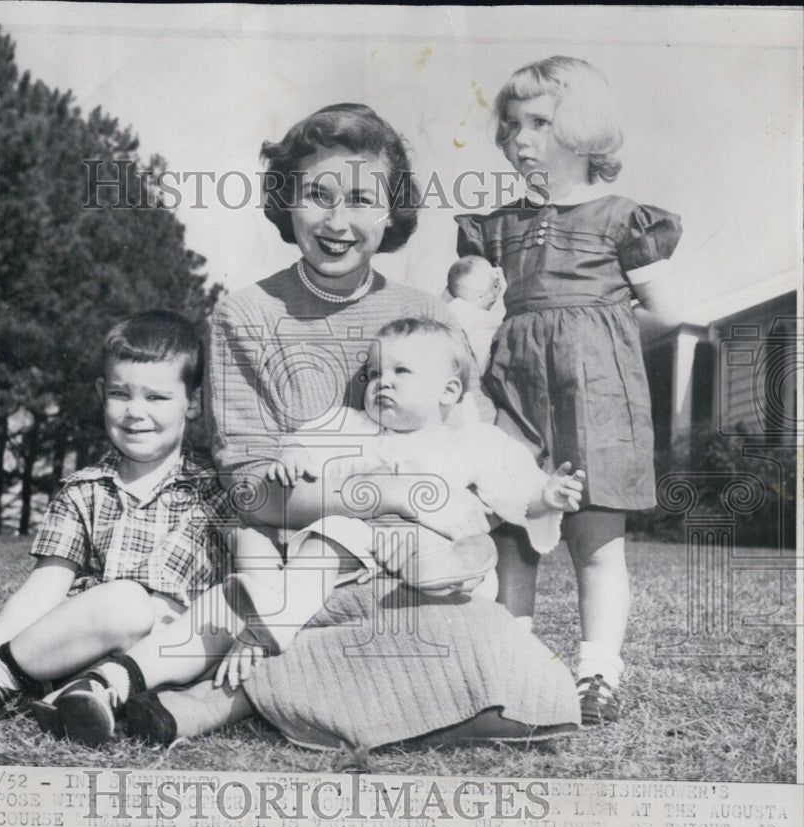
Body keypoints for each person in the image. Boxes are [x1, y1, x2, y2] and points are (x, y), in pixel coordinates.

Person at [66, 103, 582, 752]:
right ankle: (210, 693)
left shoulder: (424, 318)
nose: (339, 223)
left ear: (391, 212)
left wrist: (516, 508)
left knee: (482, 644)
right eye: (318, 195)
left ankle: (207, 705)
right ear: (287, 201)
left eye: (364, 199)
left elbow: (478, 453)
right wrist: (382, 496)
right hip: (292, 556)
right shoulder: (245, 315)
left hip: (410, 574)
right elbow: (253, 491)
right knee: (261, 603)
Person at [454, 56, 683, 725]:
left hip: (595, 395)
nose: (519, 138)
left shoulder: (623, 220)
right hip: (515, 394)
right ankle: (513, 666)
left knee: (596, 539)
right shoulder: (496, 227)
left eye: (539, 123)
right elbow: (467, 316)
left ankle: (597, 671)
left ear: (582, 127)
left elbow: (668, 312)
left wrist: (598, 327)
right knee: (512, 533)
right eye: (511, 125)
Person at [0, 310, 234, 731]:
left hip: (171, 660)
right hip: (91, 636)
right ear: (100, 393)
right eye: (120, 394)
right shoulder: (83, 490)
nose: (134, 411)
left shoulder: (218, 491)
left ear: (194, 403)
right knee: (127, 602)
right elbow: (45, 586)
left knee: (222, 613)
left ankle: (83, 699)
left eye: (157, 397)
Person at [215, 316, 586, 678]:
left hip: (432, 547)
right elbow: (307, 440)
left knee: (473, 565)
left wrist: (546, 496)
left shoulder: (470, 441)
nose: (382, 383)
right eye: (374, 374)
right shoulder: (353, 425)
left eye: (400, 372)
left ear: (449, 391)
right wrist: (294, 456)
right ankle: (273, 622)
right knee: (329, 538)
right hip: (362, 543)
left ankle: (446, 592)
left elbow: (516, 488)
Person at [441, 255, 506, 374]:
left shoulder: (451, 306)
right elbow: (499, 319)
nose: (499, 289)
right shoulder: (466, 313)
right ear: (480, 296)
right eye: (495, 285)